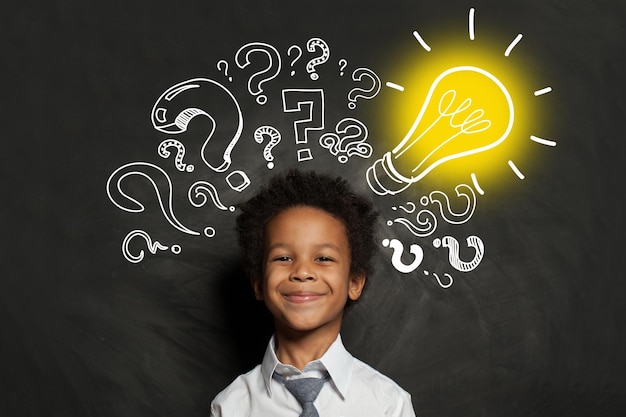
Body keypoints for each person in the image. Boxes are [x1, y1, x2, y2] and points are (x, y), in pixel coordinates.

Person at [210, 168, 416, 417]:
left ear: (354, 282)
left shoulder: (388, 404)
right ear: (258, 284)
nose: (302, 271)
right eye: (283, 257)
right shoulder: (230, 407)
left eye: (323, 258)